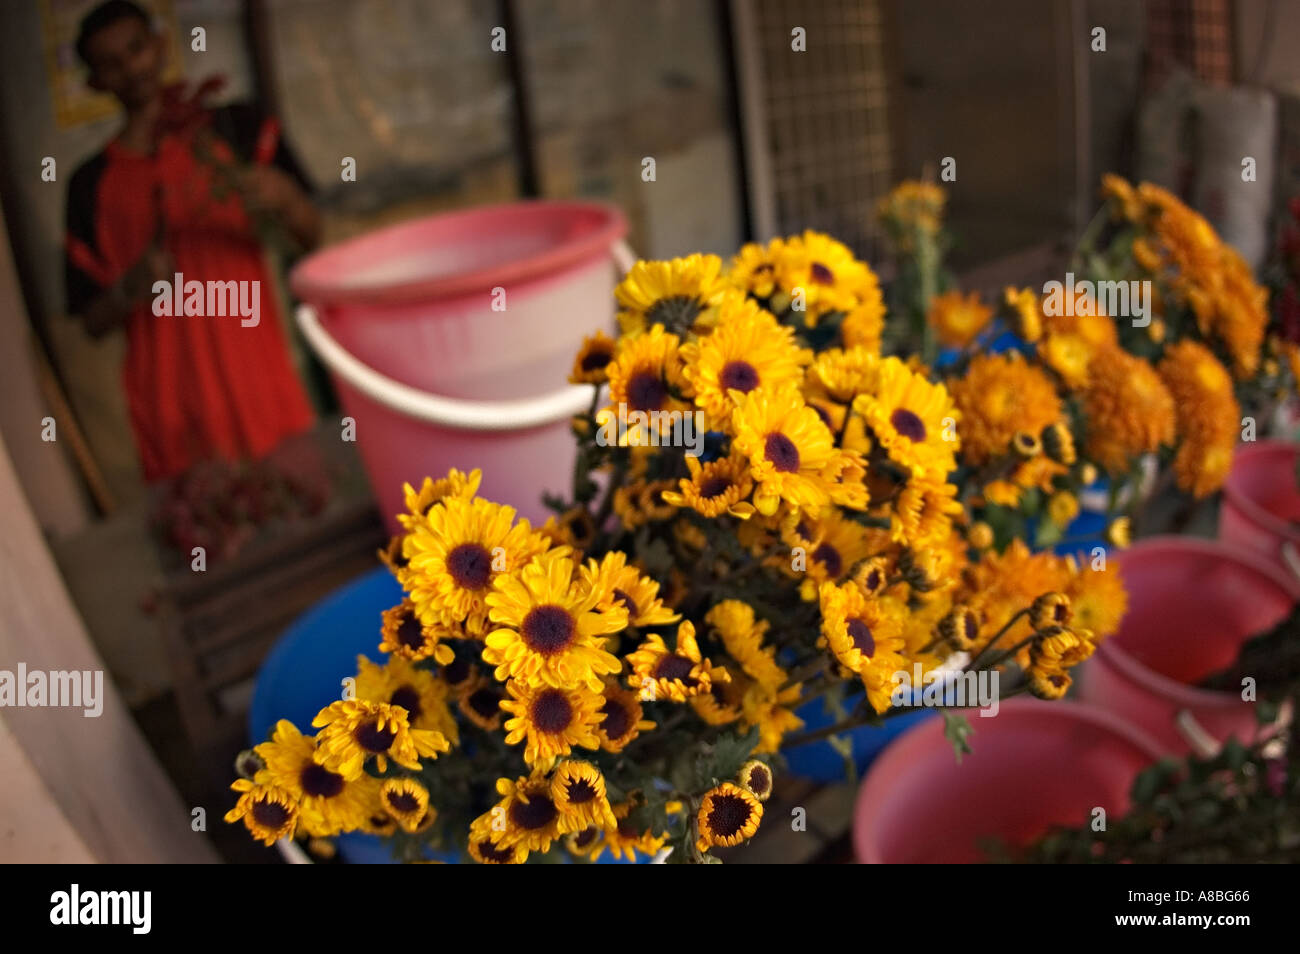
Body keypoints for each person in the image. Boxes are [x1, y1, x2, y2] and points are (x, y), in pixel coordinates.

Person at [64, 0, 320, 483]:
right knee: (210, 548)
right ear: (96, 82)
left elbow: (312, 241)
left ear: (160, 47)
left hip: (266, 401)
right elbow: (91, 323)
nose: (131, 68)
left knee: (304, 522)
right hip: (173, 421)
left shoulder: (235, 130)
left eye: (137, 48)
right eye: (111, 63)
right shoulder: (89, 185)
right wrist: (131, 286)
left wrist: (283, 197)